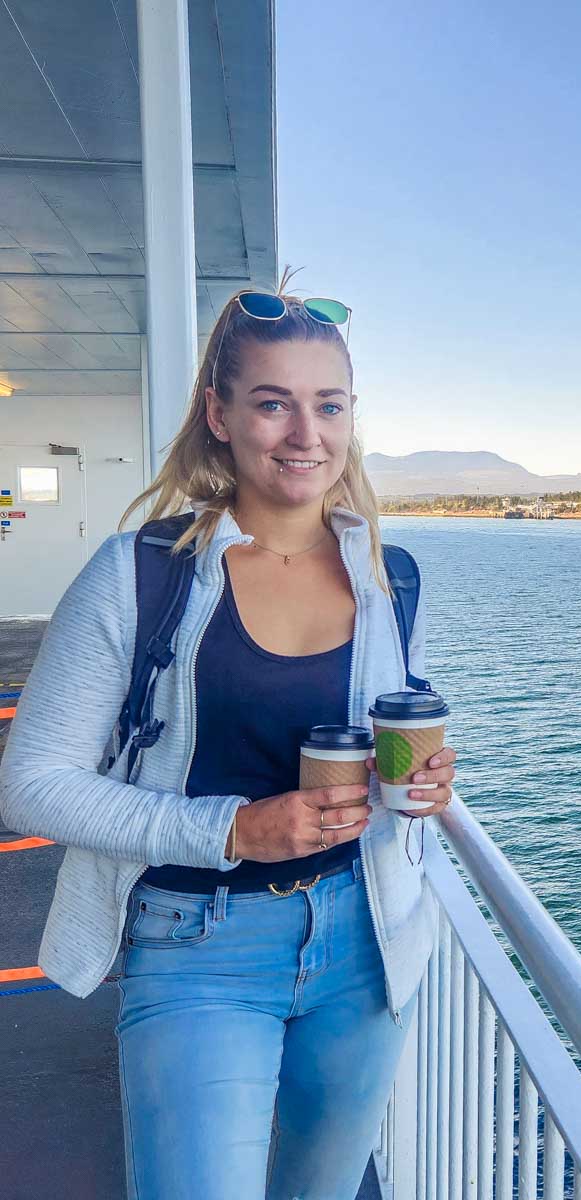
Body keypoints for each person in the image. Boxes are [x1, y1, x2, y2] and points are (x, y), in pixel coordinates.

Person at [0, 273, 457, 1200]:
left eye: (328, 405)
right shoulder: (143, 573)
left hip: (361, 941)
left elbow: (379, 743)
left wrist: (428, 779)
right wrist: (233, 830)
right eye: (273, 404)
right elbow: (33, 782)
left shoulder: (388, 574)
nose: (305, 434)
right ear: (219, 411)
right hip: (196, 943)